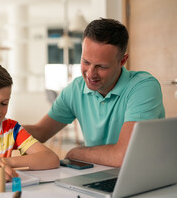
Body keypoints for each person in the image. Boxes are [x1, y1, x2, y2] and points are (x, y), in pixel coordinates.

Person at [24, 18, 165, 168]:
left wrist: (75, 153)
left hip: (144, 176)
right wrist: (3, 129)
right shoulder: (75, 89)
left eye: (101, 67)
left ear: (122, 61)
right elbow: (41, 131)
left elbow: (124, 156)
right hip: (97, 175)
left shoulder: (143, 87)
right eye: (85, 62)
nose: (90, 74)